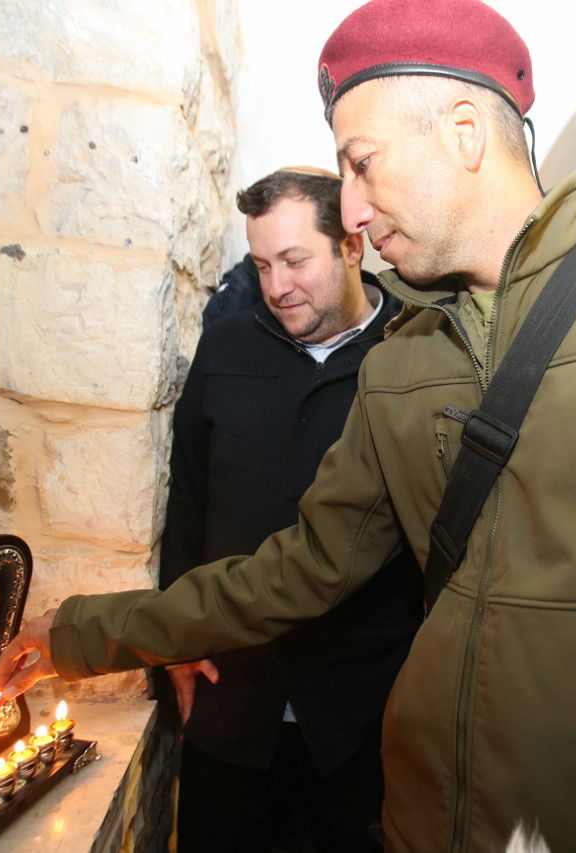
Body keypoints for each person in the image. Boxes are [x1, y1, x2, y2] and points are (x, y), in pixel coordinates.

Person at [0, 2, 576, 850]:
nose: (355, 209)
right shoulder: (400, 360)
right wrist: (76, 631)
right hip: (424, 816)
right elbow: (295, 571)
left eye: (364, 164)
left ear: (463, 130)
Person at [160, 167, 420, 852]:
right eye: (263, 264)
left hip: (361, 721)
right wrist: (174, 644)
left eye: (296, 260)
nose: (278, 286)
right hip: (231, 705)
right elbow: (186, 502)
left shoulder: (415, 355)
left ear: (352, 248)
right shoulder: (226, 348)